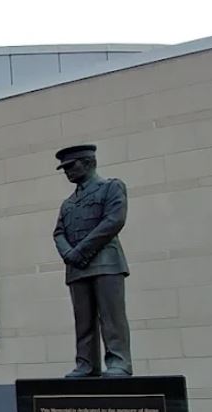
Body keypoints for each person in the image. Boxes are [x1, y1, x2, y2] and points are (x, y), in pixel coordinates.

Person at [53, 144, 132, 378]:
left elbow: (113, 221)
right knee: (83, 321)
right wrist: (69, 254)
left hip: (106, 264)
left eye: (71, 166)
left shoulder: (110, 188)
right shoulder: (68, 203)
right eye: (64, 168)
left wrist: (80, 251)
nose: (67, 171)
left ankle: (119, 362)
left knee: (112, 317)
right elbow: (58, 233)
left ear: (89, 163)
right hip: (77, 269)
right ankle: (86, 363)